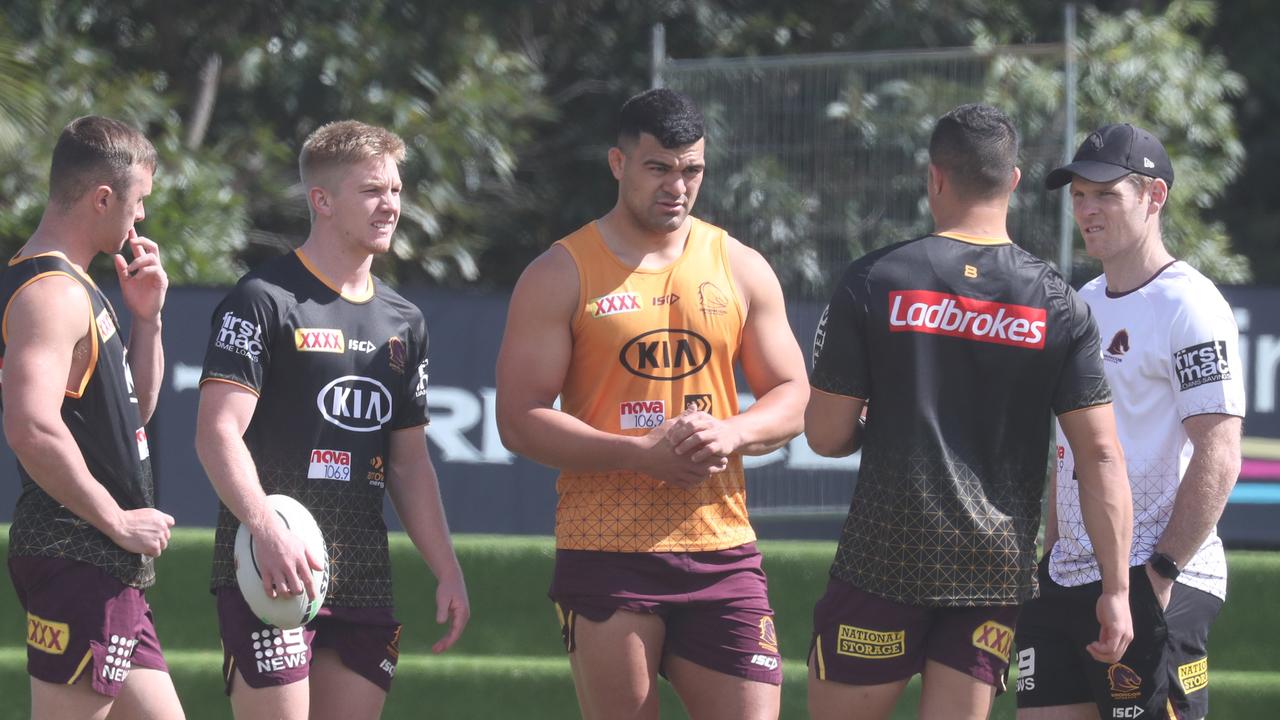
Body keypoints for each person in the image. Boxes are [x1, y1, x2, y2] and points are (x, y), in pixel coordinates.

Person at [804, 103, 1136, 720]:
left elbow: (824, 436)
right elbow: (1101, 455)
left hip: (884, 560)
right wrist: (1116, 591)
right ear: (1012, 181)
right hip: (992, 570)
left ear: (935, 178)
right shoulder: (1061, 304)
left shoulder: (872, 280)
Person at [495, 88, 809, 720]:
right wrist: (638, 453)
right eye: (658, 167)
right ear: (618, 163)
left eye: (691, 169)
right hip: (607, 550)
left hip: (723, 547)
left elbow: (794, 394)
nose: (677, 185)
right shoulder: (560, 271)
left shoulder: (739, 264)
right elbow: (518, 419)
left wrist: (732, 434)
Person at [194, 120, 470, 720]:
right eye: (373, 190)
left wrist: (446, 567)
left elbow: (410, 463)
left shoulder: (405, 321)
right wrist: (265, 527)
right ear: (322, 200)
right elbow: (217, 432)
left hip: (363, 573)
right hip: (268, 563)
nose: (391, 205)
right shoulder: (264, 298)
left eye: (396, 190)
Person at [1015, 124, 1245, 720]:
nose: (1086, 209)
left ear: (1154, 197)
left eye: (1106, 194)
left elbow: (1220, 455)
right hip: (1067, 577)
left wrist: (1159, 575)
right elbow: (1069, 451)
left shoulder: (1191, 304)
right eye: (1078, 195)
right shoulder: (1080, 302)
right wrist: (1050, 555)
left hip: (1158, 574)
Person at [0, 116, 184, 719]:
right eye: (137, 203)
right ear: (102, 197)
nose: (140, 221)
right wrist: (119, 521)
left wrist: (148, 320)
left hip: (105, 563)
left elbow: (136, 412)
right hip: (78, 554)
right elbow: (29, 426)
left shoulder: (81, 286)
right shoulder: (51, 292)